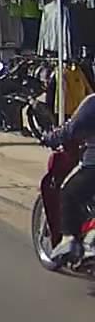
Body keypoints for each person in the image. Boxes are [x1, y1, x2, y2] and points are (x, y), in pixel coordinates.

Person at [41, 92, 95, 262]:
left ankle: (69, 240)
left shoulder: (92, 103)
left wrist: (50, 138)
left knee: (68, 193)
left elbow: (71, 129)